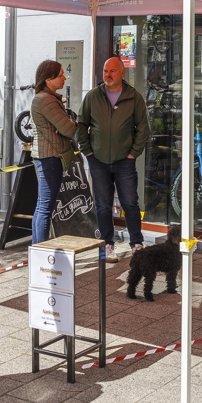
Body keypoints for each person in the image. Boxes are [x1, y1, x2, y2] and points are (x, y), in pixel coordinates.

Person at [77, 57, 149, 263]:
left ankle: (137, 244)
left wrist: (133, 153)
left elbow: (143, 128)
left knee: (130, 203)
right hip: (98, 160)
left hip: (124, 160)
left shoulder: (134, 97)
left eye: (112, 71)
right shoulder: (93, 96)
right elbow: (81, 125)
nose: (107, 75)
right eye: (105, 71)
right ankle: (107, 245)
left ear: (123, 73)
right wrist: (87, 152)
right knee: (103, 205)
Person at [30, 60, 78, 244]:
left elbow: (63, 128)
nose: (64, 78)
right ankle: (40, 251)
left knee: (41, 207)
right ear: (48, 80)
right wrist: (71, 123)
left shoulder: (45, 98)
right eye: (60, 75)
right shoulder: (47, 100)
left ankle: (37, 250)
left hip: (46, 156)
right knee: (45, 209)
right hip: (50, 158)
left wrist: (64, 125)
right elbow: (69, 130)